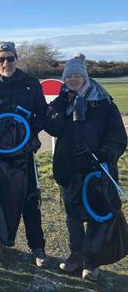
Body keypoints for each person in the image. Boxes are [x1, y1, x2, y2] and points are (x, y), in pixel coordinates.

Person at [45, 53, 127, 281]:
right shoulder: (62, 101)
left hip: (96, 168)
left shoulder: (103, 102)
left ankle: (92, 262)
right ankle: (76, 255)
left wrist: (104, 155)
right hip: (69, 167)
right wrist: (60, 105)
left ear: (85, 77)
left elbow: (118, 136)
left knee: (95, 215)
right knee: (72, 215)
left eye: (76, 75)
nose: (72, 79)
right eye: (68, 76)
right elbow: (52, 128)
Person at [0, 42, 47, 267]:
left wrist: (30, 138)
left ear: (17, 59)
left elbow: (41, 114)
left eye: (10, 58)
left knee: (30, 200)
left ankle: (37, 247)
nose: (6, 63)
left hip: (24, 154)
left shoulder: (31, 84)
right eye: (1, 59)